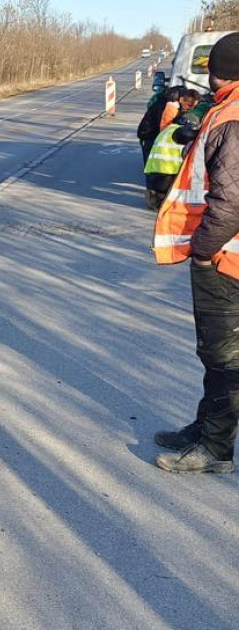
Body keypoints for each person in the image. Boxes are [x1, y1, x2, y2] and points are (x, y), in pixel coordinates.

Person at [152, 32, 239, 474]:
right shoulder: (226, 110)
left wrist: (203, 251)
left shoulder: (232, 116)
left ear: (216, 70)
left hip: (225, 259)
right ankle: (206, 428)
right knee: (217, 353)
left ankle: (216, 449)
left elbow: (231, 201)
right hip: (228, 256)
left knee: (223, 355)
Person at [143, 112, 199, 210]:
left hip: (156, 171)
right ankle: (161, 201)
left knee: (162, 194)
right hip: (167, 172)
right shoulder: (179, 131)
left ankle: (156, 198)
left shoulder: (169, 129)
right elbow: (189, 134)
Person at [139, 86, 182, 161]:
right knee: (152, 159)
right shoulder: (167, 106)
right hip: (150, 134)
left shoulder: (160, 100)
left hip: (147, 132)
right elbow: (162, 125)